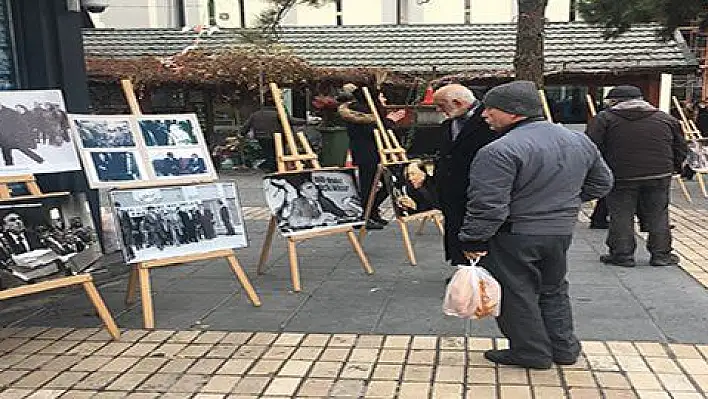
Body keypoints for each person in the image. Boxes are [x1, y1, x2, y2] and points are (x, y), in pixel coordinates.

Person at [458, 81, 613, 369]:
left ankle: (530, 352)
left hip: (516, 233)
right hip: (560, 230)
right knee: (553, 289)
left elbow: (488, 204)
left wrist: (472, 239)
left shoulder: (498, 151)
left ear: (515, 113)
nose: (484, 115)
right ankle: (563, 348)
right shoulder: (578, 140)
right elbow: (603, 182)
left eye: (492, 109)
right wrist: (562, 202)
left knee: (516, 292)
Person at [586, 85, 687, 267]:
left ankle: (622, 255)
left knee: (621, 214)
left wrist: (595, 172)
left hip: (620, 175)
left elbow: (591, 147)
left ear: (614, 102)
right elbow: (680, 147)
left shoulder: (604, 119)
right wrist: (675, 167)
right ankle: (661, 255)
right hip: (659, 173)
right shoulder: (665, 118)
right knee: (659, 214)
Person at [432, 83, 498, 267]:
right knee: (455, 229)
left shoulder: (488, 120)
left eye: (441, 105)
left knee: (477, 232)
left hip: (476, 187)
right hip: (451, 191)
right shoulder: (449, 124)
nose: (439, 110)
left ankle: (480, 270)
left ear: (458, 102)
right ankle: (463, 270)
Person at [338, 85, 406, 230]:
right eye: (381, 96)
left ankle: (372, 211)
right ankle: (366, 214)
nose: (384, 99)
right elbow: (376, 130)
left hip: (378, 153)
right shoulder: (360, 113)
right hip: (367, 154)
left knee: (389, 182)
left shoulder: (371, 112)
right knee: (369, 185)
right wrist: (390, 121)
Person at [238, 93, 306, 173]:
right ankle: (274, 169)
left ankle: (269, 167)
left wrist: (241, 134)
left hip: (261, 137)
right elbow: (291, 121)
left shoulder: (256, 114)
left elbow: (246, 126)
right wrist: (305, 121)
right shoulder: (279, 113)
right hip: (278, 137)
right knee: (279, 153)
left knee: (269, 153)